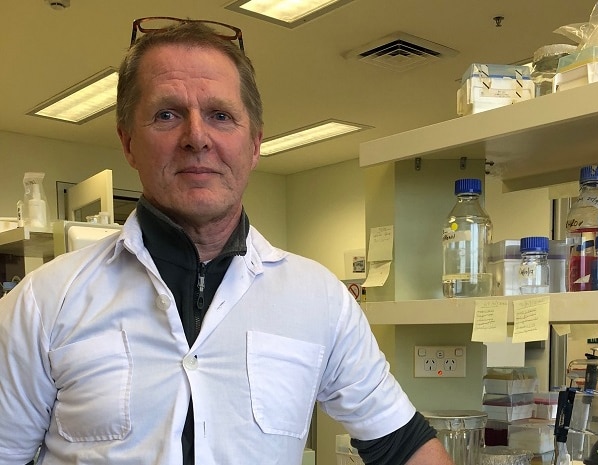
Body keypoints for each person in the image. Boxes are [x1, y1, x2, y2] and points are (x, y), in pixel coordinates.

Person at [0, 19, 455, 465]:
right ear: (128, 142)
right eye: (167, 115)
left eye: (220, 115)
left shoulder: (321, 301)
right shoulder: (42, 303)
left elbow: (402, 444)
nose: (196, 137)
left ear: (254, 144)